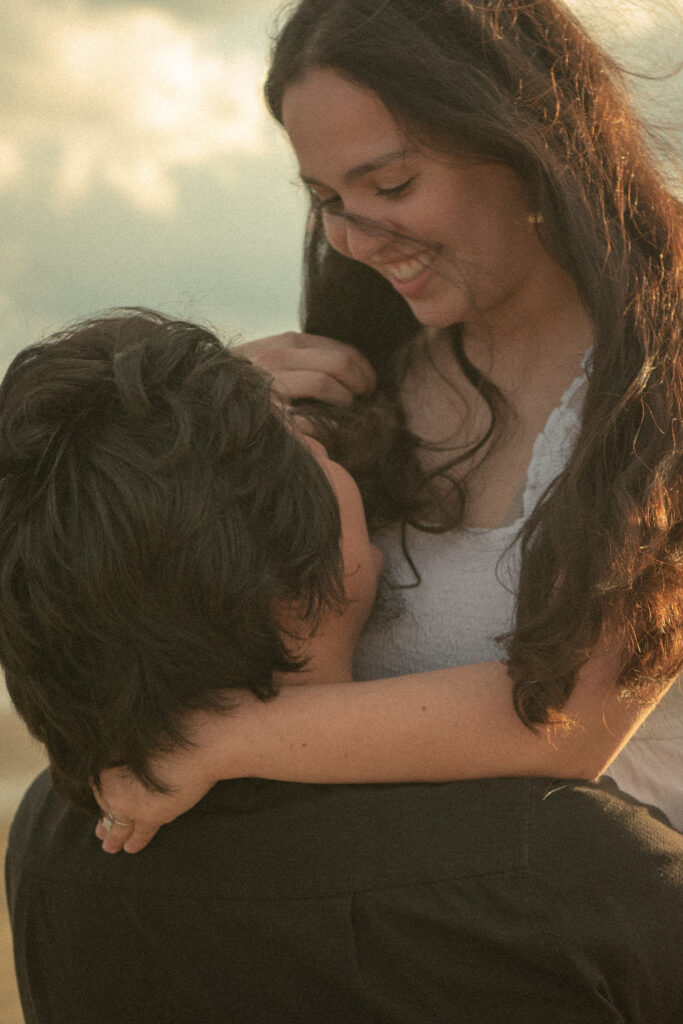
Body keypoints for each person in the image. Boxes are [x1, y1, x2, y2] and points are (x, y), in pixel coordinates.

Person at [89, 0, 683, 852]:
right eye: (326, 197)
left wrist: (220, 739)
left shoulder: (657, 377)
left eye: (391, 184)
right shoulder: (366, 371)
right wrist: (212, 419)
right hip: (399, 915)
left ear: (529, 137)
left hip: (609, 937)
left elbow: (566, 720)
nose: (354, 236)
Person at [4, 309, 683, 1023]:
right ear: (289, 589)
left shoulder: (60, 837)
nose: (340, 455)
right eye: (312, 451)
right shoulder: (561, 870)